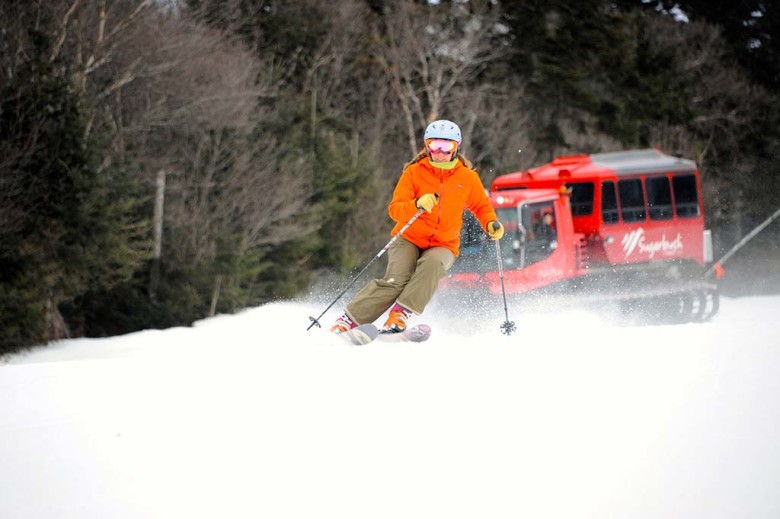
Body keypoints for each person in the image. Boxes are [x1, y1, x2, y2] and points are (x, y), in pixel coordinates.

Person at [330, 119, 504, 334]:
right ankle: (349, 320)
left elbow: (481, 206)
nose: (439, 152)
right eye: (434, 145)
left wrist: (490, 223)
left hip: (444, 243)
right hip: (409, 238)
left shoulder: (467, 178)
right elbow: (395, 209)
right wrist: (416, 204)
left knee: (432, 264)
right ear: (427, 146)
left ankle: (400, 314)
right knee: (396, 280)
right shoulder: (414, 172)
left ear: (456, 148)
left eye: (446, 146)